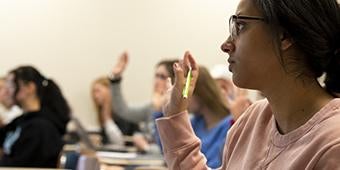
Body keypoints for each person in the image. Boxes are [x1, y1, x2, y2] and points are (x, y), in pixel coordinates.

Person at [156, 0, 340, 169]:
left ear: (284, 35)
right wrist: (175, 114)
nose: (226, 44)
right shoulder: (253, 120)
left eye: (240, 26)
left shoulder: (333, 143)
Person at [0, 66, 71, 167]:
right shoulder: (22, 121)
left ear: (29, 88)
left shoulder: (40, 128)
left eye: (11, 85)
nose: (5, 92)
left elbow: (18, 166)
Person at [109, 52, 177, 153]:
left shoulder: (179, 111)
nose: (156, 81)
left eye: (162, 77)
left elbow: (170, 153)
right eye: (156, 76)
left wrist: (146, 147)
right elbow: (123, 110)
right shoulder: (151, 107)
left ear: (173, 81)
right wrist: (116, 78)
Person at [91, 76, 139, 145]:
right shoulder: (102, 113)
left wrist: (106, 116)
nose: (95, 96)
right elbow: (106, 139)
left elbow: (120, 141)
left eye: (98, 91)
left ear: (109, 90)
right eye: (93, 92)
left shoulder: (122, 112)